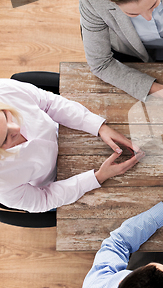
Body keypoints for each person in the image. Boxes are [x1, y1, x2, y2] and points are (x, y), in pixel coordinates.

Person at [0, 79, 143, 213]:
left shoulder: (4, 90)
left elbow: (49, 103)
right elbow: (44, 199)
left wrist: (98, 126)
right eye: (6, 137)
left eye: (6, 116)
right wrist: (98, 177)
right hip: (57, 182)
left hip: (64, 131)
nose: (17, 129)